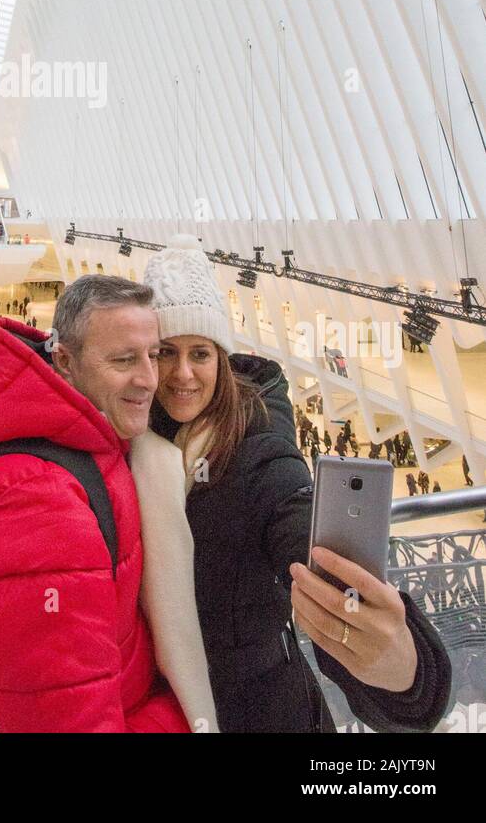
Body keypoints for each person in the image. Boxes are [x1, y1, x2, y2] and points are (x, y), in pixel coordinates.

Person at [134, 234, 451, 733]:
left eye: (200, 353)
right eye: (165, 353)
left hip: (263, 710)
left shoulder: (257, 446)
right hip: (152, 709)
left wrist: (401, 665)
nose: (183, 374)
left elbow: (294, 516)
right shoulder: (130, 442)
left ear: (222, 358)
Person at [0, 277, 190, 732]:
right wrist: (191, 714)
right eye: (124, 359)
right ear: (64, 361)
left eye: (154, 354)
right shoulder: (41, 504)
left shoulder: (81, 445)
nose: (149, 378)